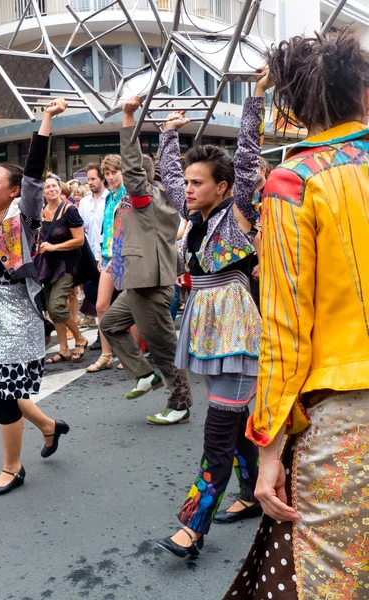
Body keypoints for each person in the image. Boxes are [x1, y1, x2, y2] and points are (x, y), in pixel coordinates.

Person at [224, 29, 369, 599]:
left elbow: (283, 334)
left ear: (296, 108)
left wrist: (267, 450)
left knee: (329, 579)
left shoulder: (295, 182)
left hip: (346, 419)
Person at [155, 71, 272, 558]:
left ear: (224, 187)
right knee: (232, 419)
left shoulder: (240, 208)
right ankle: (250, 494)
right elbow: (169, 183)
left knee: (218, 430)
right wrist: (167, 136)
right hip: (206, 325)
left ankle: (193, 524)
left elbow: (246, 160)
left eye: (199, 182)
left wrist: (255, 99)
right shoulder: (198, 218)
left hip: (236, 328)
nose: (190, 188)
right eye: (190, 182)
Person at [0, 99, 70, 497]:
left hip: (16, 316)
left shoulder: (22, 219)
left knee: (0, 393)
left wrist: (44, 121)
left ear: (14, 192)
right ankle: (47, 426)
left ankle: (13, 467)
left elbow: (35, 174)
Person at [101, 96, 193, 425]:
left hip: (151, 284)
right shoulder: (141, 198)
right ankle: (145, 375)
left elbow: (132, 165)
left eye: (126, 173)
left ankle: (179, 403)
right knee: (110, 323)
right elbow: (127, 240)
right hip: (137, 281)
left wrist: (128, 117)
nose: (118, 177)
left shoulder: (145, 197)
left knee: (164, 348)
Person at [37, 174, 89, 364]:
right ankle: (64, 349)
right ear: (42, 192)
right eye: (47, 187)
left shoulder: (69, 210)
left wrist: (54, 247)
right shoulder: (42, 212)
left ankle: (79, 338)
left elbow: (79, 240)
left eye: (54, 186)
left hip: (67, 265)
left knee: (57, 305)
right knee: (52, 309)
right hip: (48, 267)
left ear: (60, 189)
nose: (51, 189)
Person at [86, 155, 124, 372]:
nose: (110, 177)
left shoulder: (128, 194)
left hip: (126, 256)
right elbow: (108, 227)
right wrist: (102, 253)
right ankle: (106, 354)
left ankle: (133, 354)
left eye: (114, 172)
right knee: (101, 306)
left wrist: (117, 255)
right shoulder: (110, 197)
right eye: (107, 173)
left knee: (133, 306)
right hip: (108, 255)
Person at [78, 163, 109, 345]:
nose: (90, 183)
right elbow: (81, 229)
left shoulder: (110, 198)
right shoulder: (84, 203)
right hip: (90, 257)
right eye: (88, 179)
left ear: (101, 179)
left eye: (93, 179)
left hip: (106, 256)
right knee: (91, 293)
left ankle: (103, 336)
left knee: (105, 300)